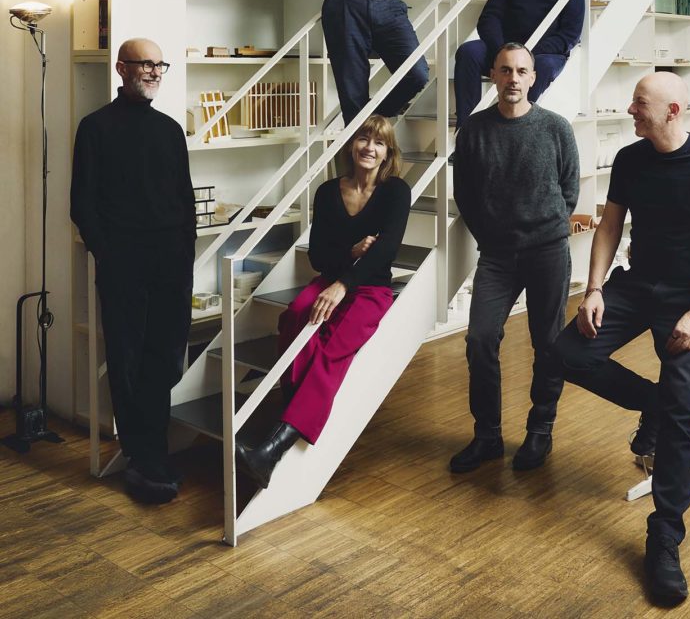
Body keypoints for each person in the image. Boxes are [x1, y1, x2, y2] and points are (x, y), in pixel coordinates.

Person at [555, 72, 690, 604]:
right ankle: (653, 403)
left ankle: (663, 539)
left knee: (682, 414)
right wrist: (594, 289)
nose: (631, 110)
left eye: (639, 103)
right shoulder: (630, 159)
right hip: (637, 287)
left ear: (672, 110)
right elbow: (610, 226)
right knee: (567, 352)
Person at [236, 115, 411, 489]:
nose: (369, 147)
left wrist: (344, 284)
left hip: (370, 288)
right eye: (363, 138)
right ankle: (299, 404)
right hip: (331, 278)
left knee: (332, 348)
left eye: (379, 142)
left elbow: (386, 253)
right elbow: (318, 256)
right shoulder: (329, 191)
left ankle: (272, 450)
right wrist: (351, 252)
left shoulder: (396, 191)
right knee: (295, 316)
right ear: (351, 145)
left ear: (388, 152)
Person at [70, 38, 196, 504]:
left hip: (171, 263)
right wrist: (109, 255)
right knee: (127, 360)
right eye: (144, 63)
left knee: (165, 358)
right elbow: (81, 204)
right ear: (121, 69)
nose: (154, 71)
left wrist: (185, 251)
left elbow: (184, 197)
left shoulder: (170, 129)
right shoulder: (95, 127)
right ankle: (143, 459)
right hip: (124, 262)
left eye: (159, 64)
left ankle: (152, 451)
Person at [450, 44, 580, 473]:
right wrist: (489, 233)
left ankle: (541, 429)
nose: (513, 78)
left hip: (547, 250)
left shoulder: (555, 127)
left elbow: (569, 187)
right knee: (480, 339)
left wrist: (550, 225)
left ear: (533, 78)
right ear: (493, 74)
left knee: (548, 342)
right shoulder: (473, 130)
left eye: (522, 71)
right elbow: (464, 192)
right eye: (505, 70)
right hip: (497, 255)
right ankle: (487, 436)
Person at [453, 0, 585, 129]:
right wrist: (503, 52)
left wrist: (526, 55)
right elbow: (489, 19)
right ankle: (467, 130)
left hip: (543, 54)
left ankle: (514, 129)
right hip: (504, 47)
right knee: (469, 52)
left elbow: (569, 35)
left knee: (542, 66)